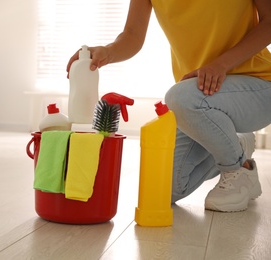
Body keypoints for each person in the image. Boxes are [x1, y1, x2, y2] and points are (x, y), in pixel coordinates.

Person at [66, 0, 271, 212]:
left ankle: (239, 170)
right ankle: (235, 144)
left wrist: (221, 64)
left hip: (258, 87)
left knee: (180, 97)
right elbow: (132, 36)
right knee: (164, 189)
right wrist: (107, 52)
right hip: (201, 97)